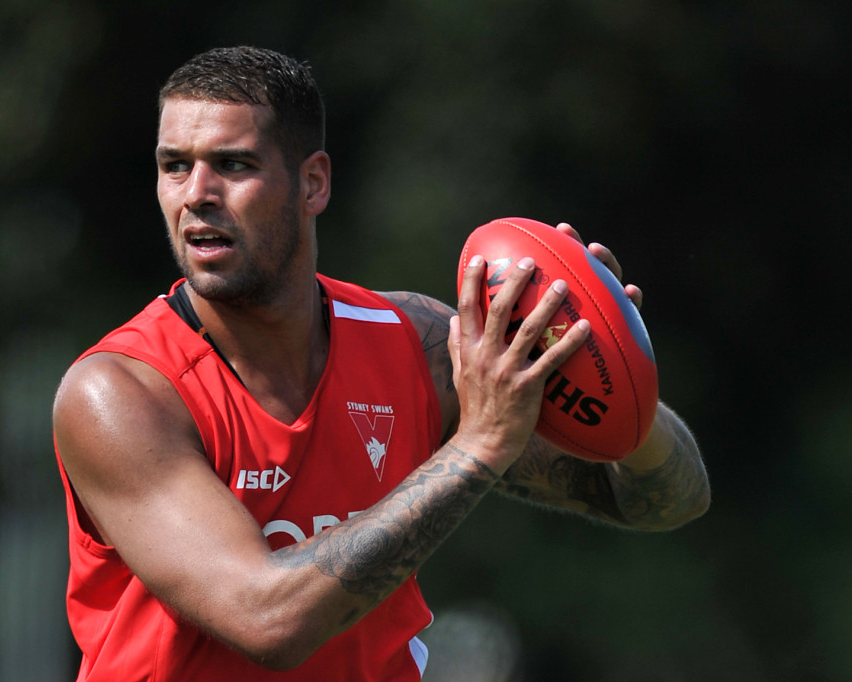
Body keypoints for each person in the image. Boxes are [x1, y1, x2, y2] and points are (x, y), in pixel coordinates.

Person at [51, 45, 710, 681]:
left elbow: (662, 499)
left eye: (233, 164)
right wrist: (479, 445)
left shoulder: (411, 345)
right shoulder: (119, 392)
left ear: (313, 183)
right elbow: (267, 622)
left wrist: (601, 363)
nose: (196, 193)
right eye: (174, 165)